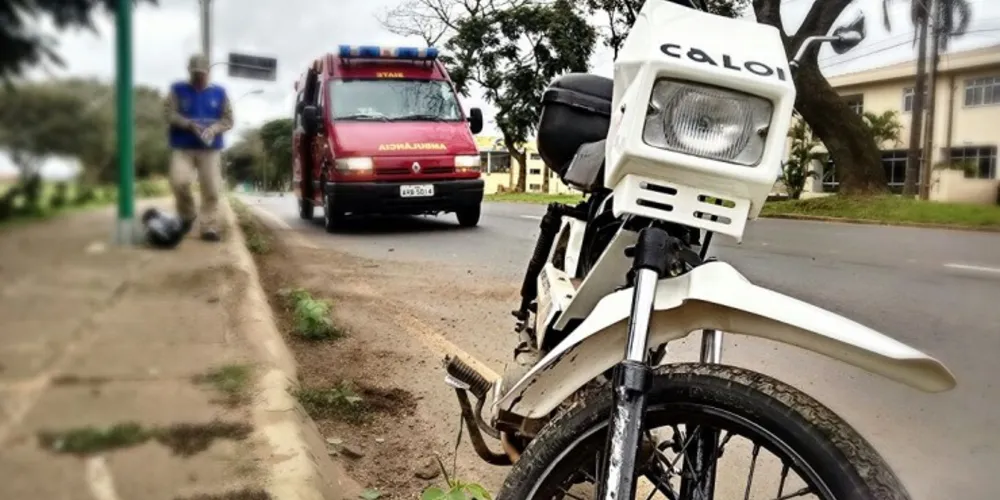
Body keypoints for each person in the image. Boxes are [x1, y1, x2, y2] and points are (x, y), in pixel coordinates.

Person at [163, 54, 234, 242]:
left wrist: (214, 129)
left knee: (211, 188)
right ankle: (187, 215)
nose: (199, 77)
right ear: (189, 72)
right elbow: (168, 113)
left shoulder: (220, 93)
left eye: (202, 74)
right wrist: (188, 124)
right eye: (195, 73)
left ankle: (209, 226)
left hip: (210, 149)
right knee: (178, 181)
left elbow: (228, 120)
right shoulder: (177, 90)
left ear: (208, 73)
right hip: (183, 146)